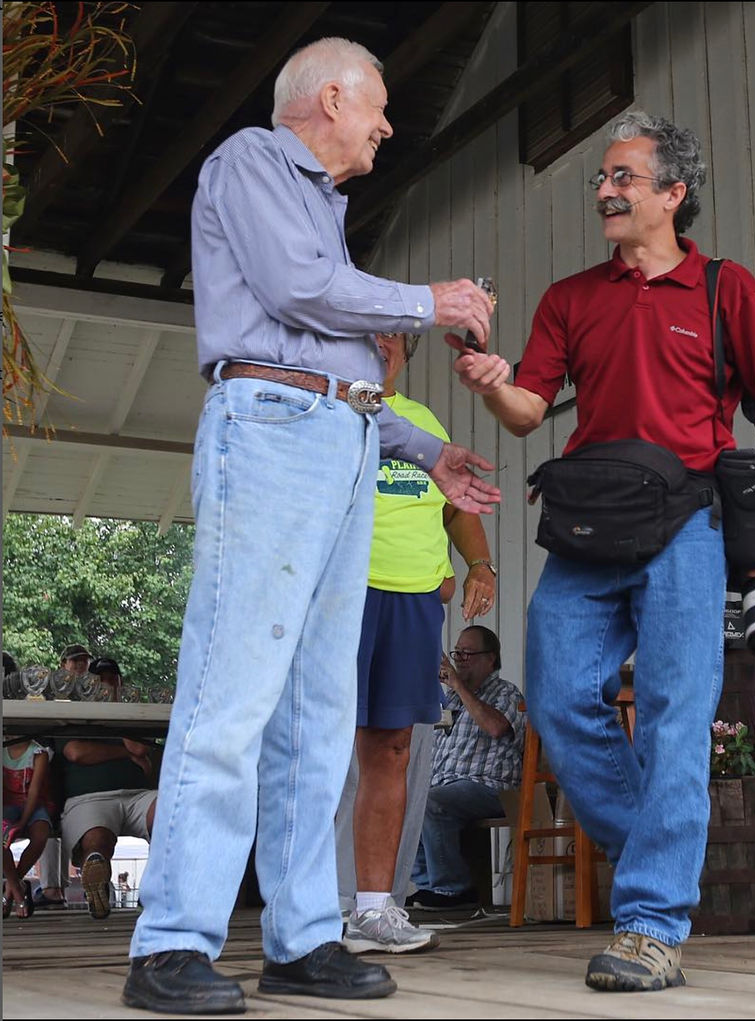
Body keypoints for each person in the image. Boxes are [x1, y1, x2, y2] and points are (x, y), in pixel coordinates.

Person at [123, 37, 499, 1016]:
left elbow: (339, 360)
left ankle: (302, 937)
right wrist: (431, 301)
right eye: (375, 108)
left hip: (336, 438)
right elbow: (295, 290)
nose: (383, 127)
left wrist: (426, 455)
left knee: (318, 713)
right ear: (328, 97)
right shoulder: (252, 160)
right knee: (234, 688)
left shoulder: (322, 209)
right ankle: (169, 939)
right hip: (273, 428)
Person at [450, 110, 755, 991]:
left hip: (690, 522)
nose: (605, 192)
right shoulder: (571, 298)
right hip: (587, 527)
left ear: (673, 194)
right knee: (563, 705)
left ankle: (651, 922)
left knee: (676, 715)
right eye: (601, 180)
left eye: (623, 178)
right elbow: (532, 409)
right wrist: (496, 382)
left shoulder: (728, 289)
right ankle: (663, 847)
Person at [336, 331, 497, 955]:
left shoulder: (422, 421)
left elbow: (457, 507)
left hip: (412, 600)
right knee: (322, 748)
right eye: (369, 333)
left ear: (405, 351)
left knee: (393, 750)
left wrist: (477, 565)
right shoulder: (330, 405)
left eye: (394, 337)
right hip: (342, 593)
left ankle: (375, 908)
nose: (381, 345)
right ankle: (316, 904)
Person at [409, 626, 524, 910]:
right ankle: (425, 887)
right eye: (457, 653)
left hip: (493, 788)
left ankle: (452, 890)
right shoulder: (449, 699)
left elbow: (496, 727)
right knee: (404, 798)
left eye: (468, 654)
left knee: (431, 802)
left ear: (491, 659)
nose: (459, 659)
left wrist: (458, 685)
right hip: (447, 787)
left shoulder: (506, 692)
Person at [54, 658, 159, 921]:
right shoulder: (73, 713)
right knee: (98, 841)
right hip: (89, 798)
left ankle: (157, 890)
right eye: (100, 678)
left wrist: (115, 711)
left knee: (173, 813)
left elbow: (140, 749)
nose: (106, 682)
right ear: (87, 683)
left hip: (139, 796)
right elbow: (76, 752)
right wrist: (124, 753)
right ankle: (97, 882)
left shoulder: (133, 712)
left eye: (113, 677)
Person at [33, 642, 92, 911]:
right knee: (49, 814)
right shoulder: (53, 691)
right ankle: (52, 887)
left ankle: (57, 887)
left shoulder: (94, 692)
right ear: (63, 664)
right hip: (55, 758)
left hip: (76, 762)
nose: (80, 665)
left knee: (61, 817)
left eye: (83, 661)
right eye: (74, 661)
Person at [2, 735, 54, 918]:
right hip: (6, 805)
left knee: (40, 835)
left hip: (32, 804)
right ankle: (17, 890)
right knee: (2, 840)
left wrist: (22, 821)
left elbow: (34, 790)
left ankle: (10, 885)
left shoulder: (38, 753)